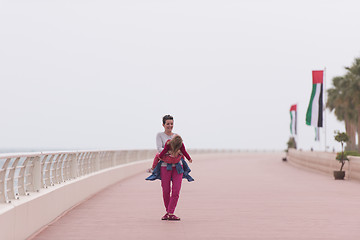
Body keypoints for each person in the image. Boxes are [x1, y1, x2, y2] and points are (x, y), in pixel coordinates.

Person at [146, 115, 194, 221]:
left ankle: (170, 212)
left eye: (171, 124)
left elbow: (182, 150)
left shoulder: (177, 136)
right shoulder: (160, 135)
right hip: (164, 166)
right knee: (166, 190)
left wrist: (182, 154)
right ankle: (168, 212)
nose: (170, 126)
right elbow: (159, 149)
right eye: (167, 124)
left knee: (176, 190)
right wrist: (173, 150)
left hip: (178, 166)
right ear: (163, 125)